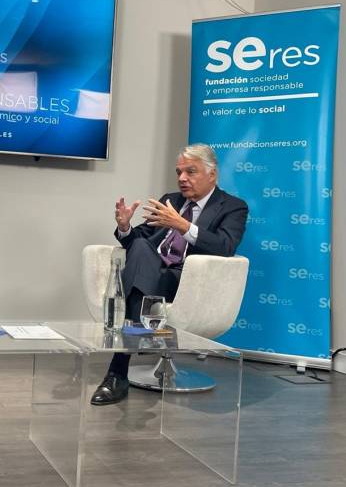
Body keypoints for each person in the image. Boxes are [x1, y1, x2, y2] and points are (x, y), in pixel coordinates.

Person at [91, 143, 248, 405]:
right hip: (150, 272)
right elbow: (138, 241)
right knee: (141, 247)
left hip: (184, 281)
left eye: (190, 171)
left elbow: (225, 246)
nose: (182, 178)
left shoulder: (233, 207)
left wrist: (183, 226)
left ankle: (117, 371)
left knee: (139, 268)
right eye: (179, 172)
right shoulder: (171, 200)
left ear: (212, 174)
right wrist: (126, 227)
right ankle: (131, 350)